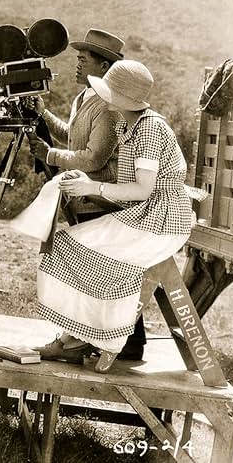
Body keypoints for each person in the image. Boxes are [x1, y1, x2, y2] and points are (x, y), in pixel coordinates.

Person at [33, 60, 195, 371]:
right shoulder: (129, 124)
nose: (102, 95)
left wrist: (90, 186)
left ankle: (85, 337)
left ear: (121, 97)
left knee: (86, 250)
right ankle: (74, 336)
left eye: (108, 90)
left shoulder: (149, 128)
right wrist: (83, 184)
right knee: (68, 242)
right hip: (145, 214)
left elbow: (143, 190)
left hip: (161, 220)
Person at [26, 29, 148, 361]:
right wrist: (43, 114)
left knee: (96, 272)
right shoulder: (86, 98)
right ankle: (127, 342)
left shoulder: (108, 105)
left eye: (84, 59)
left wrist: (49, 155)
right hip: (87, 194)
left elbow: (94, 156)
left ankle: (93, 340)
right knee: (106, 274)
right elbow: (73, 138)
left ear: (105, 65)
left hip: (103, 200)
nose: (77, 64)